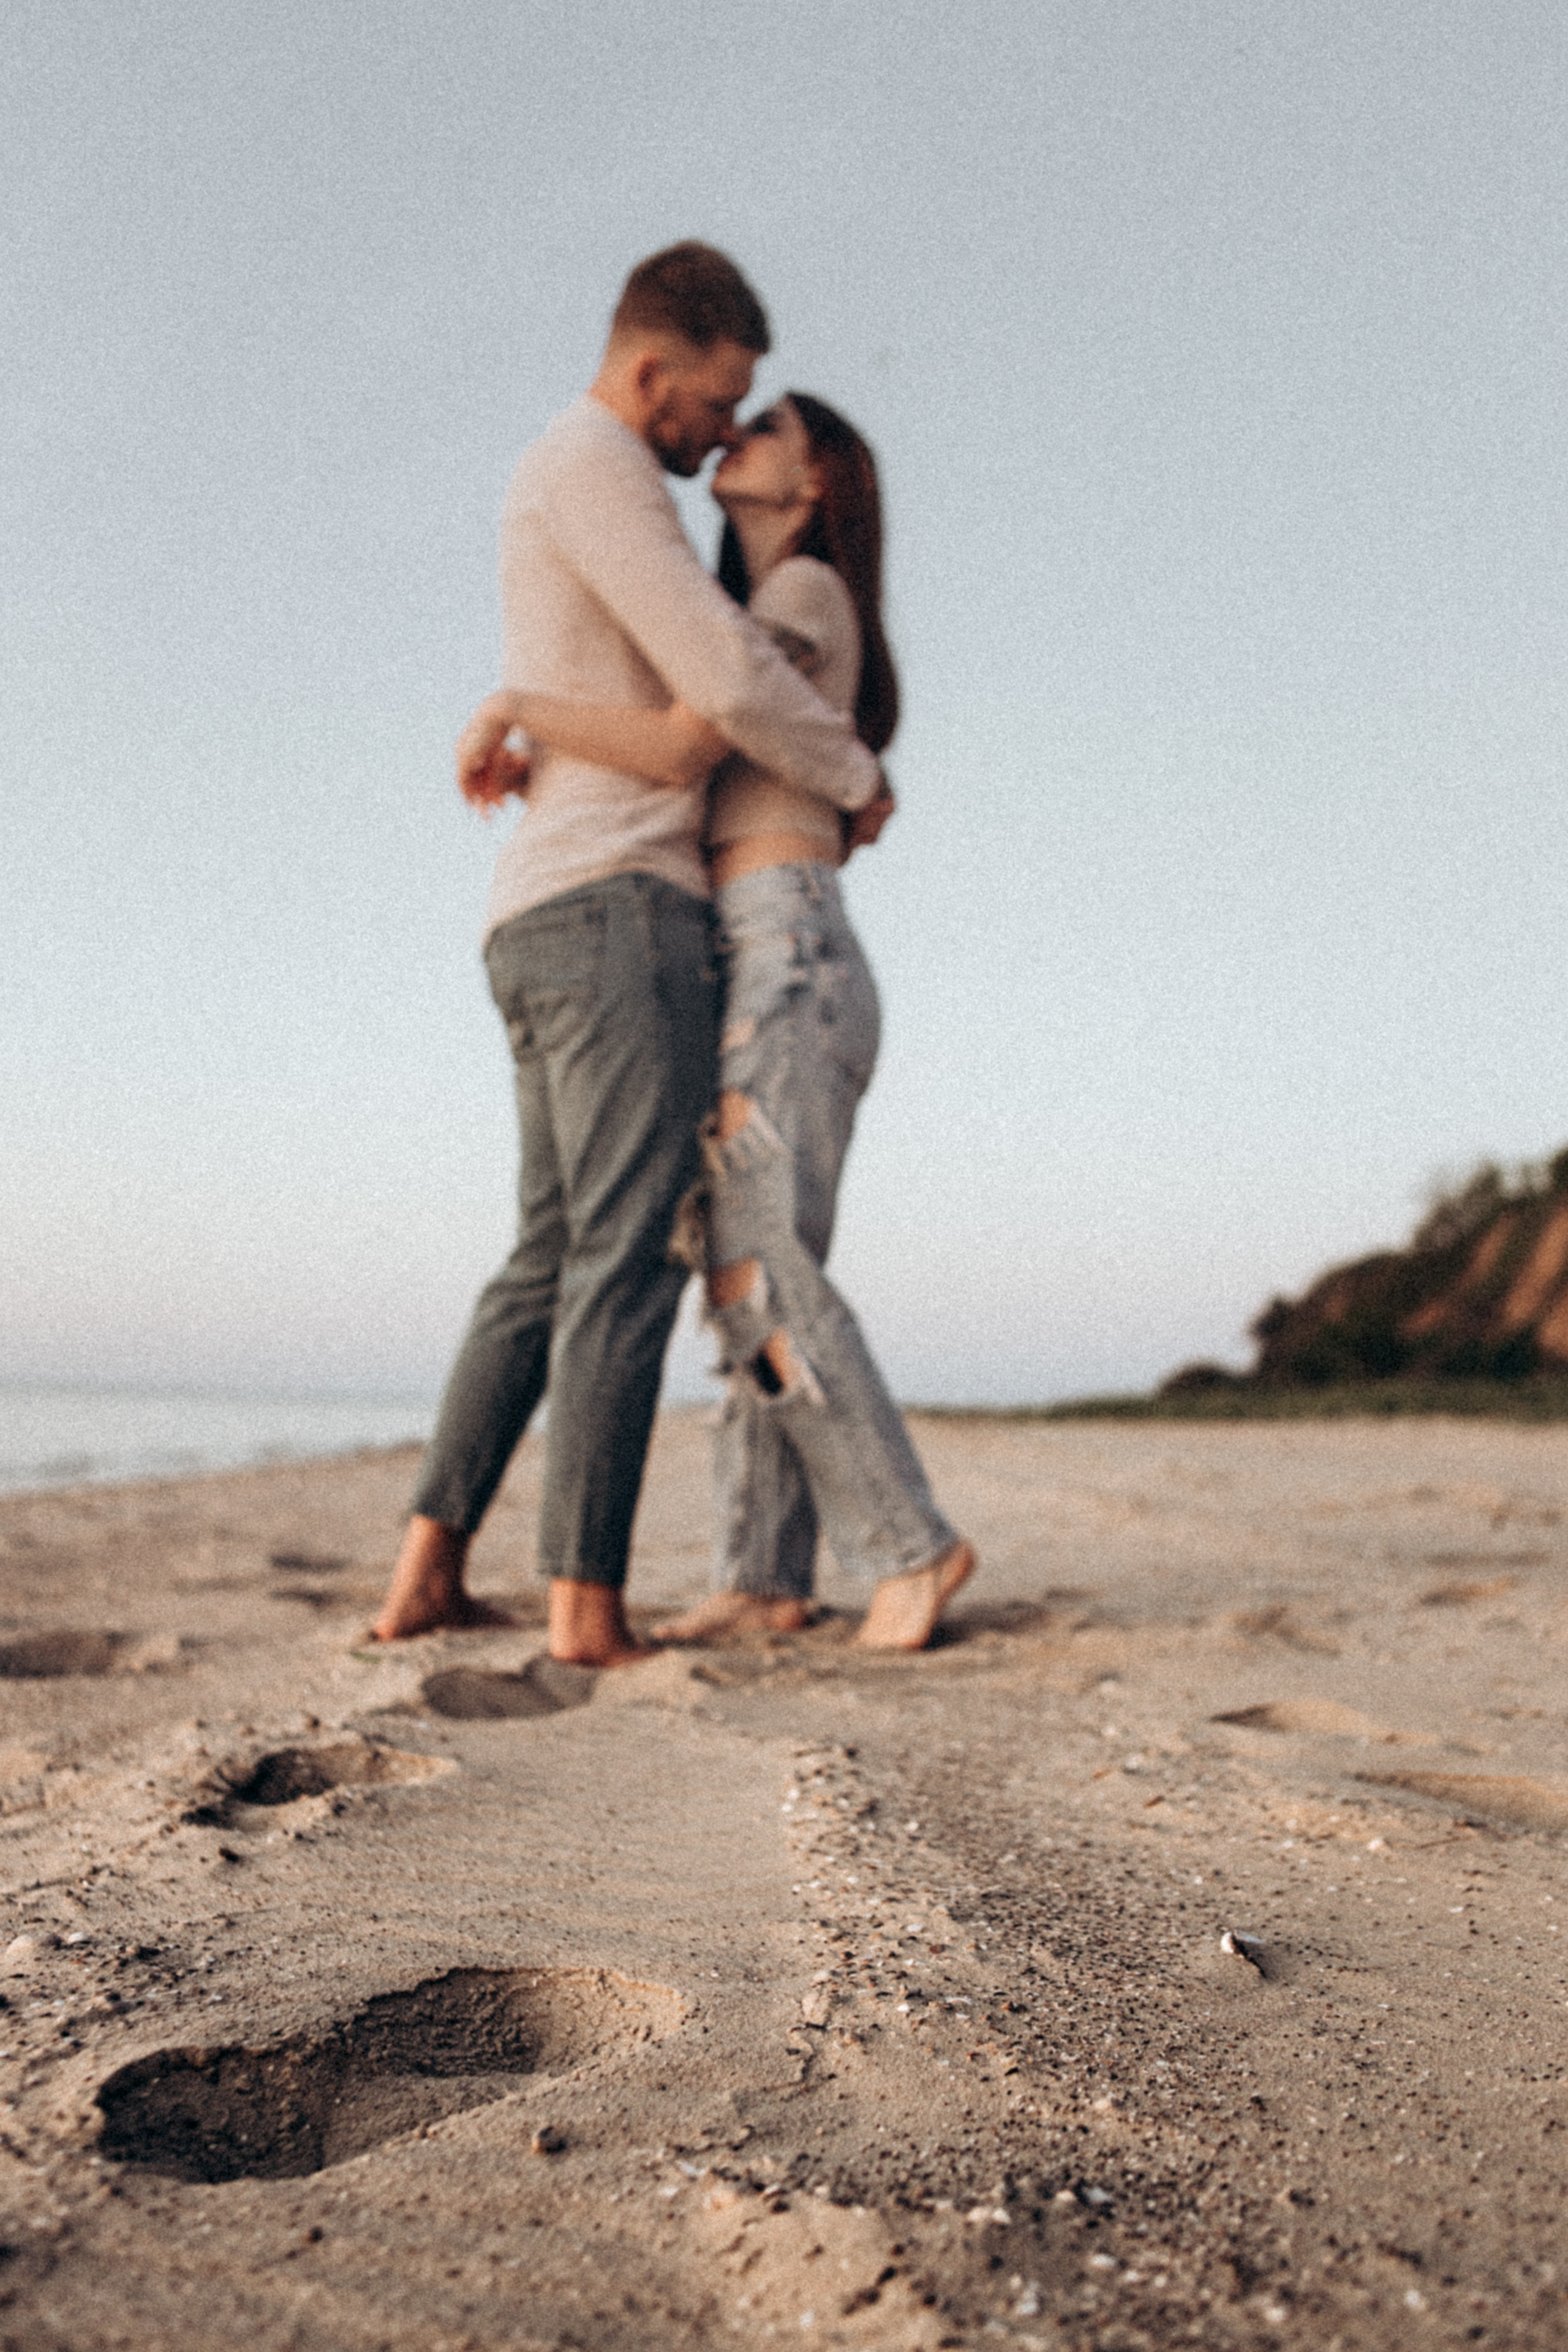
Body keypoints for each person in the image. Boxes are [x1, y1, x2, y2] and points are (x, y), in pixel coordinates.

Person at [371, 245, 882, 1665]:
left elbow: (672, 697)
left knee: (545, 1256)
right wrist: (854, 773)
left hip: (539, 907)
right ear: (652, 371)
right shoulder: (597, 468)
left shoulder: (573, 478)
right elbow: (716, 691)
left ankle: (425, 1573)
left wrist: (522, 708)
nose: (721, 434)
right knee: (622, 1254)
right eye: (716, 403)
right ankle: (584, 1607)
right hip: (616, 912)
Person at [459, 391, 974, 1651]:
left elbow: (704, 727)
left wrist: (520, 703)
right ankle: (762, 1574)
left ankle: (911, 1546)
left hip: (785, 944)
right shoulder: (760, 610)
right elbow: (685, 732)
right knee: (741, 1251)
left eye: (768, 428)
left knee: (755, 1260)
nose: (734, 433)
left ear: (816, 482)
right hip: (765, 946)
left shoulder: (802, 594)